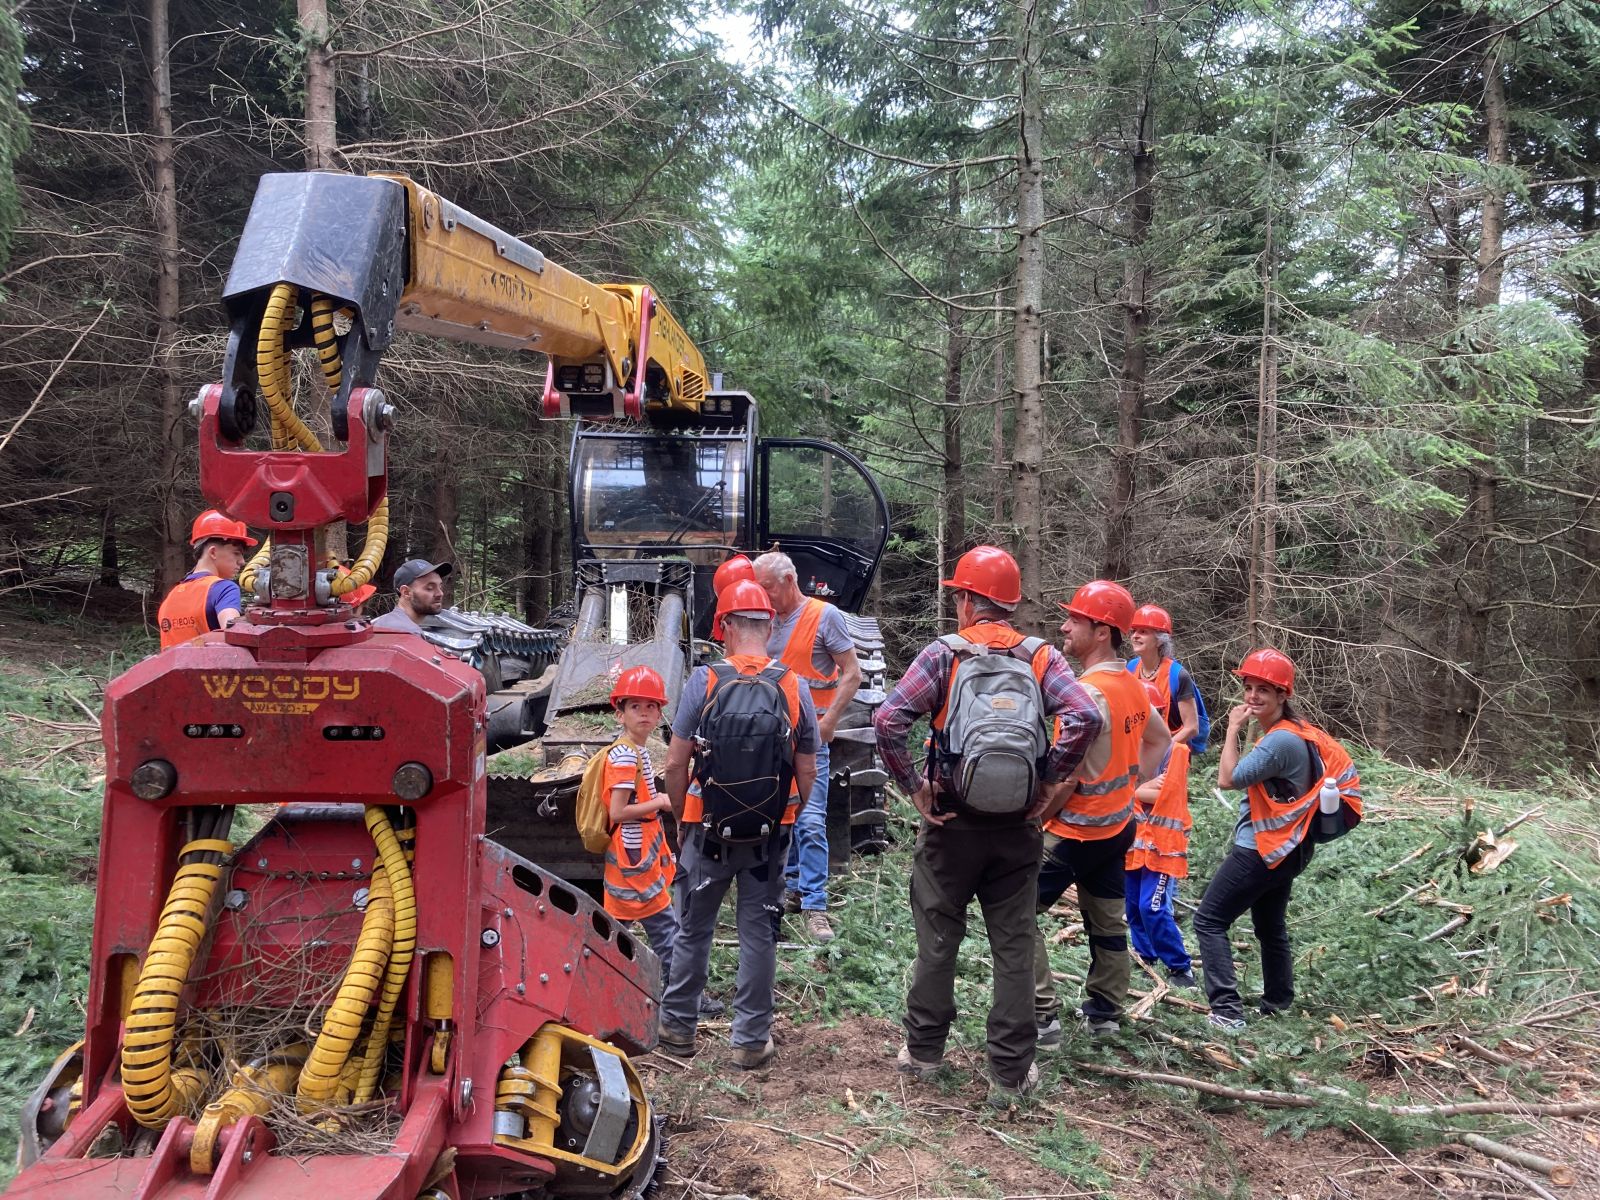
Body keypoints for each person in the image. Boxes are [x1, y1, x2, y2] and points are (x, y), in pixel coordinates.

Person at [873, 546, 1102, 1102]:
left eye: (958, 595)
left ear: (970, 600)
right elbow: (1086, 715)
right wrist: (1047, 780)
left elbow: (887, 718)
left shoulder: (943, 655)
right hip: (1017, 831)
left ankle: (924, 1053)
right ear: (1009, 603)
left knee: (938, 939)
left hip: (950, 824)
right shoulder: (1042, 657)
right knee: (1015, 946)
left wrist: (915, 788)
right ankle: (1010, 1070)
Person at [659, 578, 819, 1070]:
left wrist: (680, 817)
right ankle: (750, 1040)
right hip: (769, 836)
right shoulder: (794, 686)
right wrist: (787, 813)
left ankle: (678, 1028)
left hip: (705, 830)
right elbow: (808, 765)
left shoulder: (704, 682)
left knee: (693, 929)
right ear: (769, 627)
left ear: (725, 626)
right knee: (758, 933)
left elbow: (675, 762)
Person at [1195, 648, 1360, 1032]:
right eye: (1249, 687)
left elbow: (1228, 778)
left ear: (1283, 695)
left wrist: (1233, 728)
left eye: (1263, 691)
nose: (1252, 697)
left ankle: (1227, 1012)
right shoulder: (1298, 732)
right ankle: (1278, 1003)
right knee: (1270, 926)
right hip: (1291, 846)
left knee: (1209, 920)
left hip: (1262, 849)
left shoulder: (1280, 741)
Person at [1034, 581, 1171, 1043]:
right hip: (1117, 828)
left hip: (1073, 832)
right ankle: (1105, 1013)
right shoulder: (1132, 685)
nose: (1063, 627)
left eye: (1074, 620)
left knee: (1016, 913)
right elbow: (1160, 740)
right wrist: (1129, 787)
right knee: (1108, 921)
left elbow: (1066, 778)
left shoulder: (1085, 694)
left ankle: (1041, 1015)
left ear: (1101, 631)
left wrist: (1033, 820)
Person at [753, 551, 862, 944]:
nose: (763, 597)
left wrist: (829, 720)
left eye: (767, 588)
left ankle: (816, 905)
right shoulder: (764, 620)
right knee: (784, 817)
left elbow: (852, 674)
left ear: (788, 580)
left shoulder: (824, 616)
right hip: (771, 739)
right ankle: (795, 886)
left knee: (811, 820)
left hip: (810, 737)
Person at [600, 666, 678, 986]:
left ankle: (603, 990)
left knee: (614, 937)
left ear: (659, 714)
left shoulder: (636, 750)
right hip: (635, 866)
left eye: (651, 707)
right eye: (635, 707)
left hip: (635, 862)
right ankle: (681, 1001)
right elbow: (618, 812)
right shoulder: (625, 757)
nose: (644, 714)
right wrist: (660, 802)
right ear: (620, 714)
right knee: (667, 934)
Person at [1124, 741, 1195, 987]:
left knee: (1151, 907)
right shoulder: (1127, 744)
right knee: (1133, 907)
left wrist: (1132, 790)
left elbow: (1168, 794)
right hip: (1133, 845)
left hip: (1162, 847)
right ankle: (1145, 958)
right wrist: (1141, 789)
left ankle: (1180, 968)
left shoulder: (1175, 751)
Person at [157, 510, 258, 649]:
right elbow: (234, 636)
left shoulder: (172, 595)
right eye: (236, 553)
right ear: (213, 552)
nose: (242, 562)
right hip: (211, 670)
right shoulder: (224, 588)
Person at [1126, 604, 1204, 749]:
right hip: (1135, 753)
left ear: (1160, 639)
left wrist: (1162, 750)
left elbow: (1192, 727)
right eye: (1134, 631)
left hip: (1171, 756)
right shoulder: (1130, 668)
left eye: (1143, 632)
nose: (1135, 636)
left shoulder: (1178, 675)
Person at [371, 559, 451, 632]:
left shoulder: (384, 622)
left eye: (440, 586)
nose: (440, 593)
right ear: (406, 592)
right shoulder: (407, 632)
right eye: (429, 588)